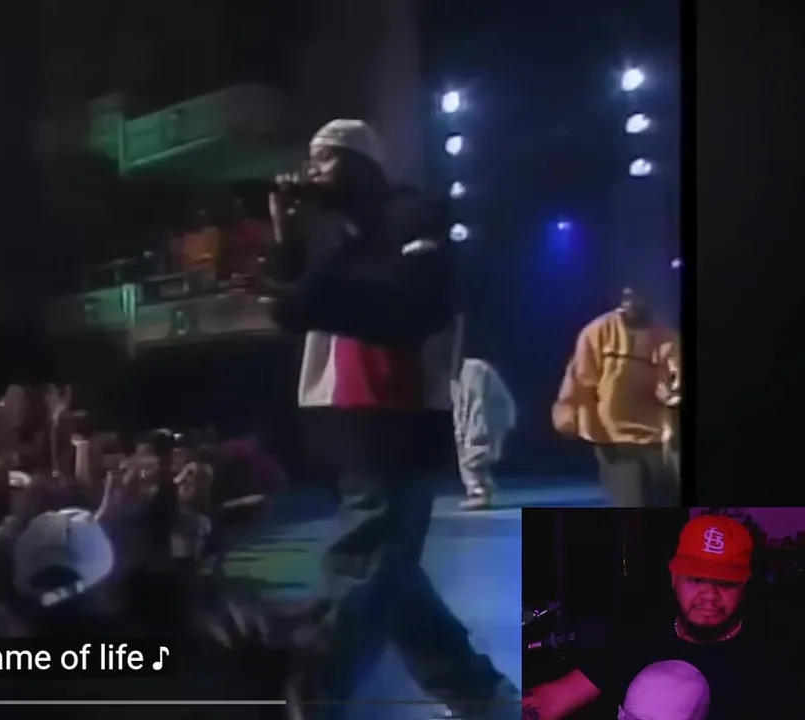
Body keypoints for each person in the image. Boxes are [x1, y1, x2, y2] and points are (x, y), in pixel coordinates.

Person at [262, 118, 514, 719]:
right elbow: (295, 303)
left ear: (362, 165)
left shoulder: (413, 217)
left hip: (395, 419)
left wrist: (310, 299)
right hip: (346, 425)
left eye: (326, 158)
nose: (312, 169)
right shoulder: (343, 244)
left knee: (361, 566)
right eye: (310, 157)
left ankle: (312, 697)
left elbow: (413, 310)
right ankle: (481, 694)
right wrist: (288, 239)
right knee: (393, 578)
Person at [521, 515, 796, 720]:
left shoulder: (773, 667)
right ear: (674, 579)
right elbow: (550, 701)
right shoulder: (637, 641)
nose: (709, 596)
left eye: (726, 583)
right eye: (696, 579)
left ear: (744, 587)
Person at [552, 287, 680, 506]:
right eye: (628, 297)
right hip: (612, 438)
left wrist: (671, 395)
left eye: (640, 298)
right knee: (630, 501)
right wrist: (566, 413)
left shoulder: (666, 338)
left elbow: (675, 377)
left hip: (656, 438)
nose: (632, 303)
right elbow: (579, 377)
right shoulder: (599, 331)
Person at [452, 357, 517, 510]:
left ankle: (478, 488)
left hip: (473, 379)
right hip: (465, 379)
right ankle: (478, 486)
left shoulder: (473, 370)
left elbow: (477, 416)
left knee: (471, 426)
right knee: (467, 425)